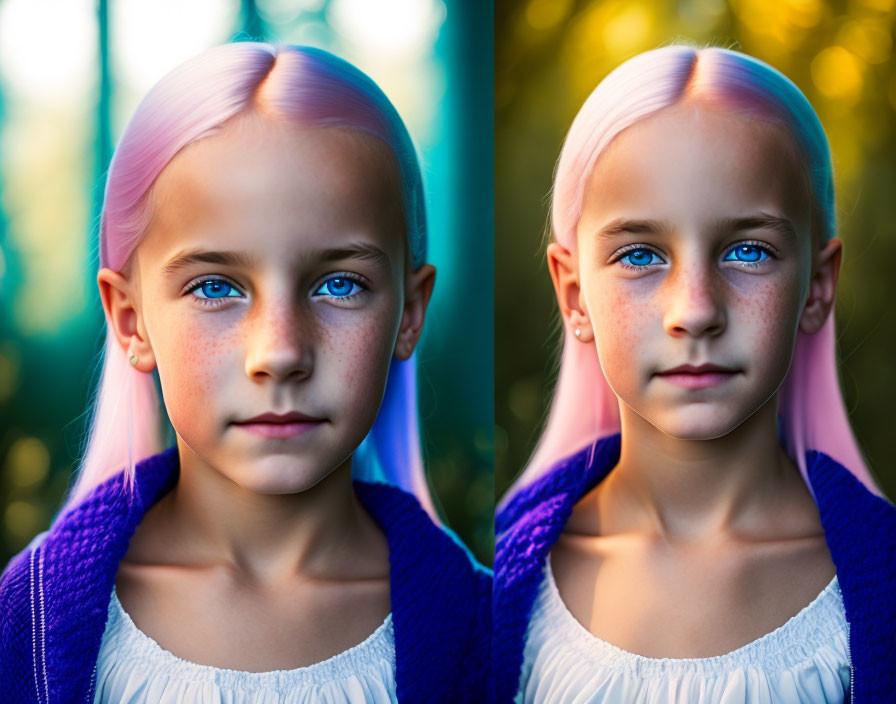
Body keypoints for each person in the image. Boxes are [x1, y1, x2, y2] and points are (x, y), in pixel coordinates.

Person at [0, 42, 490, 704]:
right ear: (129, 319)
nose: (280, 351)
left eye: (340, 285)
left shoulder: (497, 638)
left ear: (410, 311)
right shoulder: (22, 628)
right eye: (214, 289)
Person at [494, 45, 895, 703]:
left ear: (819, 285)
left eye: (748, 251)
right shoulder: (496, 591)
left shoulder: (876, 586)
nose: (696, 311)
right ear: (573, 295)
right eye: (642, 254)